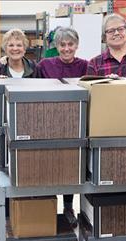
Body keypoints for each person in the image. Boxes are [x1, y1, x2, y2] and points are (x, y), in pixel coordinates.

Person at [37, 26, 88, 227]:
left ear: (76, 45)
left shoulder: (86, 65)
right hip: (48, 122)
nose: (67, 48)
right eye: (62, 44)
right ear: (56, 46)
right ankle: (49, 207)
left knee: (70, 166)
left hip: (76, 123)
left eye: (70, 44)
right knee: (50, 165)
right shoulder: (44, 65)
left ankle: (68, 207)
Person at [0, 28, 40, 100]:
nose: (15, 48)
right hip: (3, 111)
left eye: (19, 45)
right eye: (11, 45)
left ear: (24, 49)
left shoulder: (35, 68)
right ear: (5, 49)